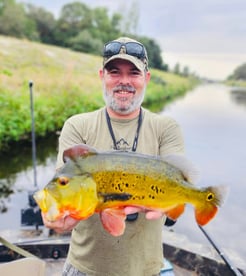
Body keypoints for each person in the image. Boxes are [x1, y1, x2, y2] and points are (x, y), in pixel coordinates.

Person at [42, 37, 184, 276]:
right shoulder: (78, 126)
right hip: (84, 267)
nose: (124, 82)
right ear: (102, 76)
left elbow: (178, 183)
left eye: (134, 73)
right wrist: (58, 215)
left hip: (146, 269)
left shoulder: (165, 128)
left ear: (146, 79)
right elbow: (63, 186)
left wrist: (171, 207)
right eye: (115, 72)